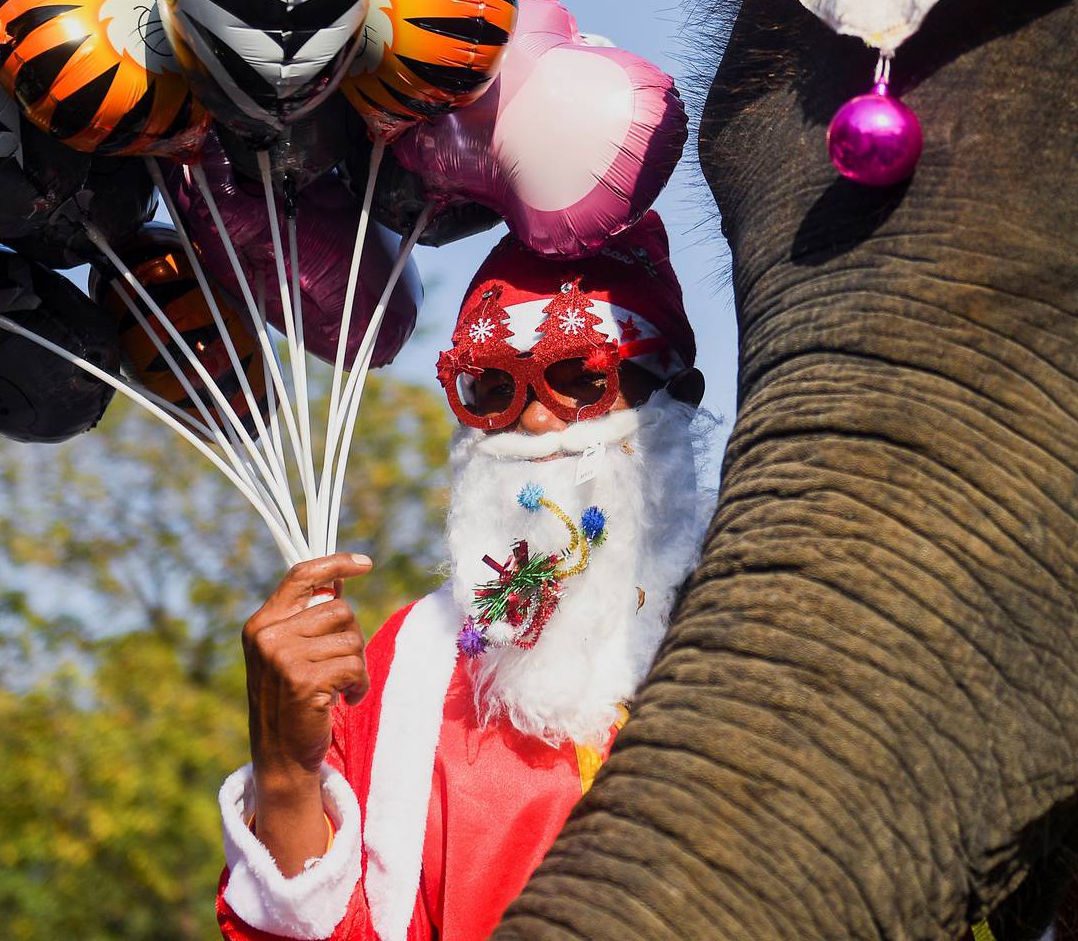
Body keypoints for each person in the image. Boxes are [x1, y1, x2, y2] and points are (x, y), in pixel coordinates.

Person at [215, 212, 711, 941]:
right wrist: (286, 770)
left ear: (675, 394)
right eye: (492, 390)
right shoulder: (407, 660)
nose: (537, 421)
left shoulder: (758, 625)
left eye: (580, 378)